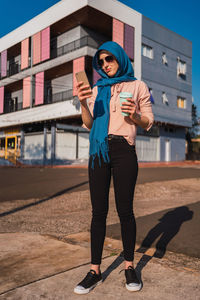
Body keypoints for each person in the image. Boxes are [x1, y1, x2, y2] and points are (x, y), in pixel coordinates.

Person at [74, 41, 154, 294]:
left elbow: (149, 121)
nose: (105, 65)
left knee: (125, 210)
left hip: (123, 150)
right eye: (102, 61)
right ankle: (95, 270)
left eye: (110, 59)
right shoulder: (98, 89)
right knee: (98, 212)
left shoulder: (137, 85)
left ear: (120, 58)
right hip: (98, 151)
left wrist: (134, 116)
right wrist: (84, 103)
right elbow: (89, 123)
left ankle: (129, 266)